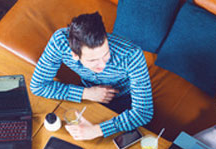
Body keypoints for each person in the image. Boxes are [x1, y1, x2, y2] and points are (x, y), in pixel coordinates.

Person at [30, 12, 153, 141]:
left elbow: (143, 113)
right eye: (93, 60)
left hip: (126, 104)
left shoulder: (132, 55)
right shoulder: (60, 42)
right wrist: (86, 93)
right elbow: (38, 85)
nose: (102, 64)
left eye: (106, 54)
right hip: (88, 98)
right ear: (75, 55)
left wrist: (97, 130)